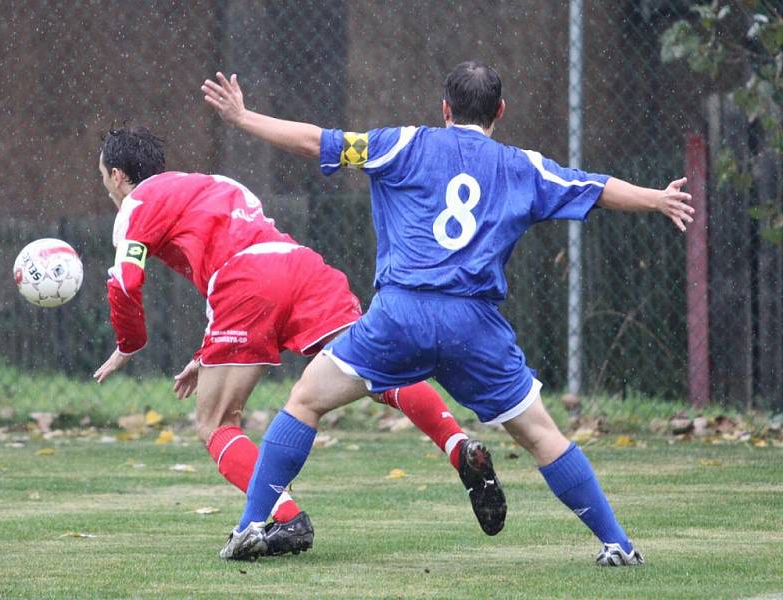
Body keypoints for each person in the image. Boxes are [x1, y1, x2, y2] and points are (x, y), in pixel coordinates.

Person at [202, 60, 695, 565]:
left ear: (445, 109)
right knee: (542, 434)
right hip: (473, 328)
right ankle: (618, 545)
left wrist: (244, 119)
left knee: (306, 400)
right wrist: (655, 199)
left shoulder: (403, 144)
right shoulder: (521, 165)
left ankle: (250, 526)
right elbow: (593, 188)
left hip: (400, 316)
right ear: (499, 111)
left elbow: (318, 141)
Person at [92, 125, 507, 558]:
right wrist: (207, 354)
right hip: (298, 265)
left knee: (216, 422)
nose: (105, 187)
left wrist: (130, 342)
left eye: (103, 176)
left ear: (119, 175)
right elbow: (244, 253)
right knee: (377, 368)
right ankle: (458, 444)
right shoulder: (211, 183)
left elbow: (126, 281)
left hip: (246, 283)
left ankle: (285, 518)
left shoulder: (138, 203)